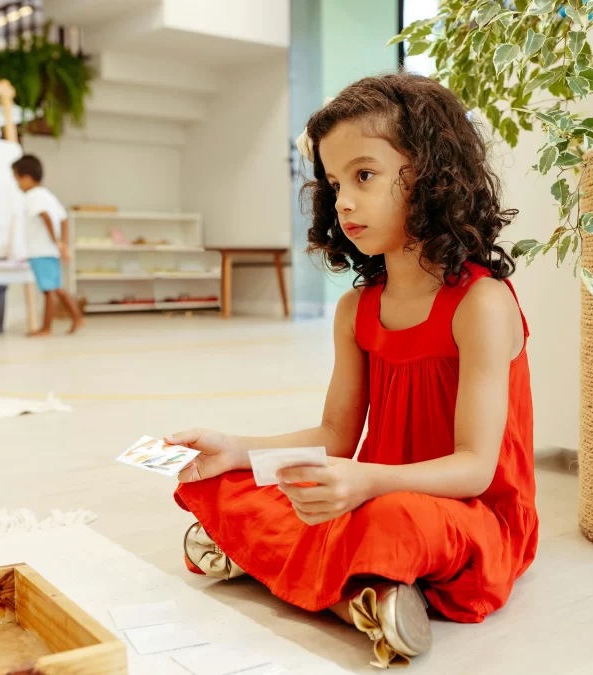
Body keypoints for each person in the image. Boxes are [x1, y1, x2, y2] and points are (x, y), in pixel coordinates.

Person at [168, 73, 537, 669]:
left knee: (390, 520)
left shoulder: (482, 304)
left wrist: (366, 483)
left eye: (364, 176)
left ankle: (276, 566)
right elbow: (334, 438)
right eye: (335, 182)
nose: (342, 201)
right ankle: (372, 598)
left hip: (463, 513)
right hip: (366, 489)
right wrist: (236, 450)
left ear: (430, 173)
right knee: (218, 482)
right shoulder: (355, 310)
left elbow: (474, 470)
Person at [11, 154, 84, 336]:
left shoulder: (33, 196)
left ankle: (47, 327)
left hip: (41, 251)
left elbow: (45, 216)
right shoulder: (48, 195)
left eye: (17, 179)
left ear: (26, 177)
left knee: (49, 290)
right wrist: (62, 244)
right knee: (55, 288)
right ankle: (76, 317)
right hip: (49, 251)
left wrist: (57, 242)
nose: (18, 185)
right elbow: (63, 219)